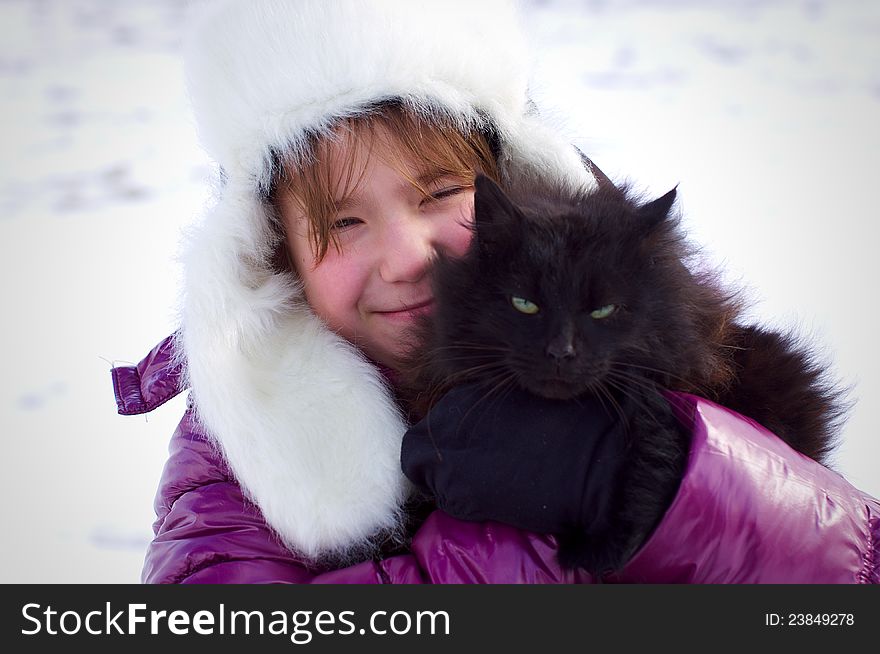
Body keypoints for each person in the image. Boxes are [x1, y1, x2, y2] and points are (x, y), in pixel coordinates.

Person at [112, 0, 878, 584]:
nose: (406, 258)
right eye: (343, 223)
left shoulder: (657, 352)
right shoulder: (238, 466)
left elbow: (852, 566)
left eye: (443, 191)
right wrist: (518, 543)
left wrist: (663, 484)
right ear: (279, 257)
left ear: (516, 185)